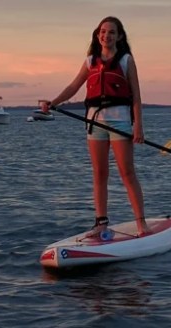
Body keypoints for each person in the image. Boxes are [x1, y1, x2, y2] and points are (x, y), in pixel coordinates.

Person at [42, 16, 151, 237]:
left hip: (120, 122)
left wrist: (138, 126)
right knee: (100, 173)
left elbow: (137, 97)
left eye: (111, 32)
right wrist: (53, 103)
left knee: (127, 172)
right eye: (103, 31)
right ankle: (101, 223)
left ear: (119, 36)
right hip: (95, 124)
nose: (106, 36)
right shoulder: (91, 61)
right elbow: (74, 86)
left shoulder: (126, 60)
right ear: (97, 34)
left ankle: (141, 223)